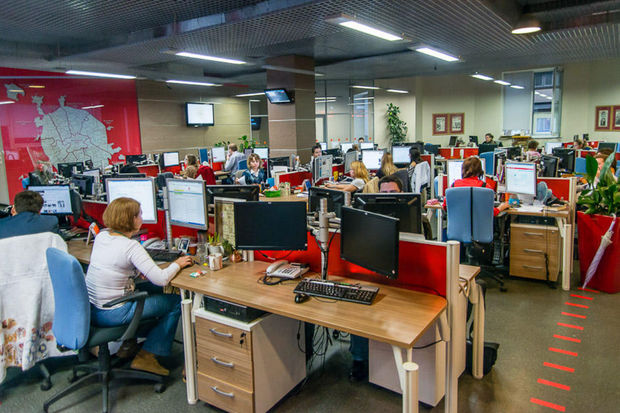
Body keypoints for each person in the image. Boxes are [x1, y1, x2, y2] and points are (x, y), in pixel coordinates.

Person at [85, 197, 193, 376]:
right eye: (139, 214)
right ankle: (147, 356)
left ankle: (129, 345)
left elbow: (115, 266)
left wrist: (135, 272)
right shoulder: (131, 247)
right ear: (131, 219)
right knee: (176, 301)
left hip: (93, 309)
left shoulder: (102, 236)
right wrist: (178, 264)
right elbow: (161, 279)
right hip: (114, 312)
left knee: (152, 290)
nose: (142, 218)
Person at [442, 156, 509, 216]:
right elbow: (489, 212)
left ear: (463, 170)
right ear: (480, 171)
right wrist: (500, 208)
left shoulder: (454, 186)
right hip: (479, 226)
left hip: (457, 226)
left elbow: (445, 207)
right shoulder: (485, 187)